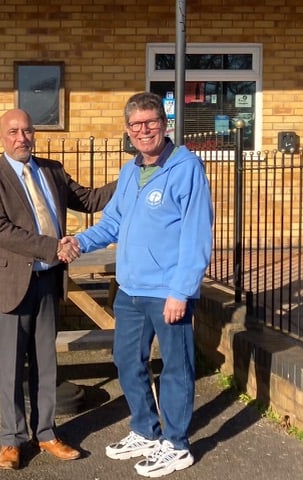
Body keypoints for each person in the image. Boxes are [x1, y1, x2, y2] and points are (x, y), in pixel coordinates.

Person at [63, 92, 213, 477]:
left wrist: (181, 291)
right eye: (136, 125)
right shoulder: (130, 172)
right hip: (130, 289)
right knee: (127, 361)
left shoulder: (186, 168)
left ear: (165, 124)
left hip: (167, 292)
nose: (144, 130)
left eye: (151, 122)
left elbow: (196, 236)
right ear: (128, 131)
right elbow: (113, 222)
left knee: (177, 367)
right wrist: (80, 242)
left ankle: (177, 445)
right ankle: (146, 430)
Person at [0, 108, 116, 470]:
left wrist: (131, 176)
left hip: (48, 280)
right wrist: (54, 247)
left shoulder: (52, 170)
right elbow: (0, 231)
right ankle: (11, 439)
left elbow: (90, 200)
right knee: (10, 366)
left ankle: (47, 433)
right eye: (14, 132)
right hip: (10, 285)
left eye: (27, 130)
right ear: (1, 137)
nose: (22, 138)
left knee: (46, 363)